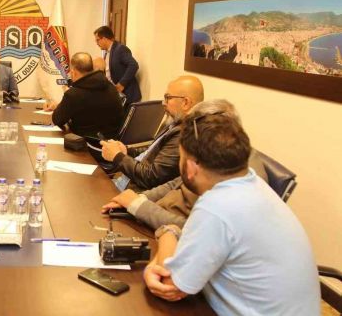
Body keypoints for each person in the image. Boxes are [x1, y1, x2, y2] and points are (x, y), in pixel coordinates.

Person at [143, 111, 320, 315]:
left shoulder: (216, 206)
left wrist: (167, 233)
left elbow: (169, 287)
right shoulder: (254, 184)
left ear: (191, 167)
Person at [101, 99, 267, 230]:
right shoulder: (213, 153)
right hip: (158, 216)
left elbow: (196, 229)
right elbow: (176, 182)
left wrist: (139, 206)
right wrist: (139, 199)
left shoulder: (240, 180)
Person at [100, 75, 204, 190]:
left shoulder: (184, 135)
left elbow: (151, 177)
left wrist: (118, 157)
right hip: (125, 181)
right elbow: (152, 151)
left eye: (168, 98)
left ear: (185, 103)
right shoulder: (175, 122)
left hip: (134, 192)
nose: (163, 103)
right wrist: (127, 151)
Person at [49, 52, 123, 139]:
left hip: (85, 143)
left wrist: (62, 104)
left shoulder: (73, 94)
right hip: (112, 142)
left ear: (74, 72)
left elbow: (57, 120)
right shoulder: (111, 87)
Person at [93, 25, 141, 105]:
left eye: (97, 40)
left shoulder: (120, 49)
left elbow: (133, 65)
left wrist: (122, 84)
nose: (96, 43)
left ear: (104, 38)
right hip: (117, 96)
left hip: (128, 96)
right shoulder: (106, 53)